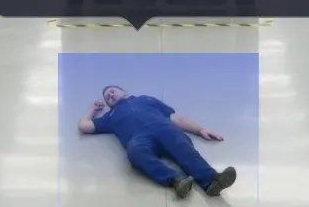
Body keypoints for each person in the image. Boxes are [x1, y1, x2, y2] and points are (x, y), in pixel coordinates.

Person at [78, 85, 237, 199]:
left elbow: (175, 117)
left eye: (112, 92)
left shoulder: (146, 99)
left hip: (165, 128)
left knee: (183, 147)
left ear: (124, 91)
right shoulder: (110, 117)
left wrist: (200, 130)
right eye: (107, 98)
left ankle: (212, 182)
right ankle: (176, 181)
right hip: (139, 138)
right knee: (135, 153)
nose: (110, 96)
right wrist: (92, 109)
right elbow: (85, 126)